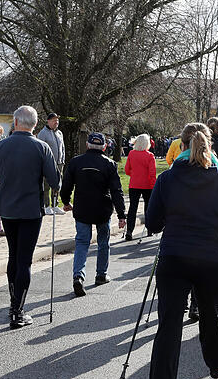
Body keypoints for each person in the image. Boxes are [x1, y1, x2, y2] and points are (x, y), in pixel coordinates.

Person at [145, 123, 218, 379]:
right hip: (210, 260)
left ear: (181, 146)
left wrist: (171, 216)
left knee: (169, 324)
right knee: (210, 316)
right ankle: (217, 365)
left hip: (173, 257)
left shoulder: (167, 179)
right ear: (209, 146)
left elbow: (152, 223)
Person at [0, 105, 60, 329]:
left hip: (7, 210)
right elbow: (55, 181)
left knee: (13, 255)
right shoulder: (42, 147)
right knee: (24, 259)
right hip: (31, 211)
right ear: (35, 124)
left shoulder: (0, 146)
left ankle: (13, 303)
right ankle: (17, 310)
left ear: (15, 122)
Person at [61, 133, 127, 297]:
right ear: (104, 147)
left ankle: (78, 276)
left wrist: (66, 201)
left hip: (82, 208)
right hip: (102, 209)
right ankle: (101, 274)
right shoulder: (109, 164)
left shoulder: (76, 162)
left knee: (82, 242)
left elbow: (66, 184)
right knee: (103, 242)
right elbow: (116, 191)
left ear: (88, 145)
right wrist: (121, 214)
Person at [124, 133, 157, 240]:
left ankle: (129, 231)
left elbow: (127, 170)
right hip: (147, 184)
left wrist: (134, 174)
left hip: (134, 183)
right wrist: (153, 185)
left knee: (132, 208)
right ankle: (149, 229)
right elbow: (152, 173)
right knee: (148, 207)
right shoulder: (150, 156)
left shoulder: (131, 154)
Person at [37, 112, 66, 215]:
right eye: (54, 120)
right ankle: (47, 205)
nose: (56, 122)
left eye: (57, 120)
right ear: (48, 121)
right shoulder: (43, 133)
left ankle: (55, 205)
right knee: (46, 185)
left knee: (58, 184)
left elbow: (62, 147)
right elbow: (40, 149)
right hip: (47, 163)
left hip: (59, 163)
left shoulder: (60, 133)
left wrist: (62, 159)